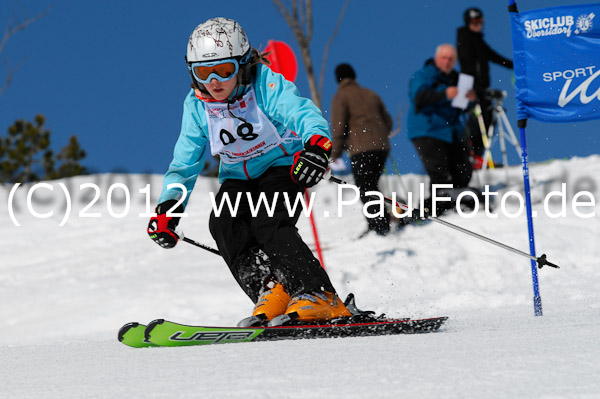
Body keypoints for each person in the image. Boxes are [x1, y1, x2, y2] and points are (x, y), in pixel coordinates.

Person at [146, 17, 352, 327]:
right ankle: (272, 290)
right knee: (224, 224)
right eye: (203, 72)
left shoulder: (264, 84)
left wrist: (316, 146)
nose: (214, 80)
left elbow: (300, 111)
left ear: (242, 64)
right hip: (237, 177)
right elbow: (184, 163)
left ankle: (320, 295)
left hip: (282, 166)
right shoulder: (197, 106)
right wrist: (168, 209)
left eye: (224, 70)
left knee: (269, 221)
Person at [407, 44, 476, 216]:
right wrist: (444, 94)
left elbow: (461, 107)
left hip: (450, 131)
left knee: (463, 168)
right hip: (427, 129)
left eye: (450, 59)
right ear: (437, 59)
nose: (446, 62)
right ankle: (437, 208)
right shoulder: (424, 75)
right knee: (439, 171)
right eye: (443, 58)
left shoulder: (457, 79)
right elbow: (419, 97)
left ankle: (451, 202)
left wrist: (471, 100)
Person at [330, 63, 394, 236]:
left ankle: (379, 226)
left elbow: (339, 127)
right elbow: (388, 122)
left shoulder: (341, 96)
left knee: (365, 186)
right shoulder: (371, 94)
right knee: (371, 184)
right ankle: (383, 220)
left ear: (338, 79)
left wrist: (334, 154)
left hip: (361, 148)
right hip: (381, 147)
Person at [457, 7, 514, 166]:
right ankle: (466, 156)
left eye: (480, 21)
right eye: (475, 22)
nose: (478, 25)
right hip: (470, 88)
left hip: (481, 89)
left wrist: (513, 65)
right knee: (476, 120)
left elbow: (493, 56)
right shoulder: (465, 38)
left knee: (487, 119)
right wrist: (470, 88)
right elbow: (467, 64)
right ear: (468, 22)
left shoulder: (478, 40)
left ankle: (477, 157)